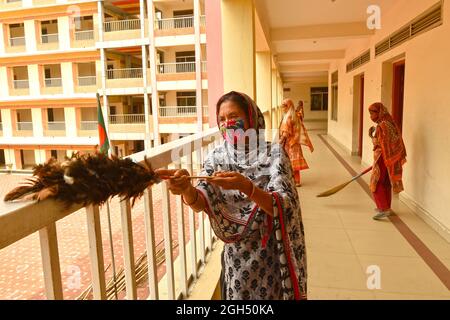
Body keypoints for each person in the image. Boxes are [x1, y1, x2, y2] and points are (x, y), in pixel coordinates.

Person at [156, 91, 307, 300]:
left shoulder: (275, 154)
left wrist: (247, 187)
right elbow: (201, 201)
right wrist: (186, 190)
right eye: (222, 119)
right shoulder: (217, 157)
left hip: (271, 254)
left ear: (251, 118)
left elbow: (284, 205)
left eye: (234, 117)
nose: (227, 124)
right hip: (236, 258)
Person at [368, 102, 407, 220]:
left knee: (376, 182)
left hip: (383, 158)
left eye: (372, 113)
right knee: (385, 182)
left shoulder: (382, 126)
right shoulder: (389, 122)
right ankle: (386, 207)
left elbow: (381, 144)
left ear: (379, 112)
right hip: (390, 158)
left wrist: (373, 139)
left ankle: (383, 208)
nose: (370, 116)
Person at [279, 99, 313, 187]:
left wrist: (280, 140)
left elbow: (286, 133)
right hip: (294, 142)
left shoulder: (289, 117)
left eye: (283, 106)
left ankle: (295, 180)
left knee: (291, 162)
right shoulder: (293, 115)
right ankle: (296, 180)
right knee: (294, 162)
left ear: (288, 106)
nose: (282, 108)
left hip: (290, 143)